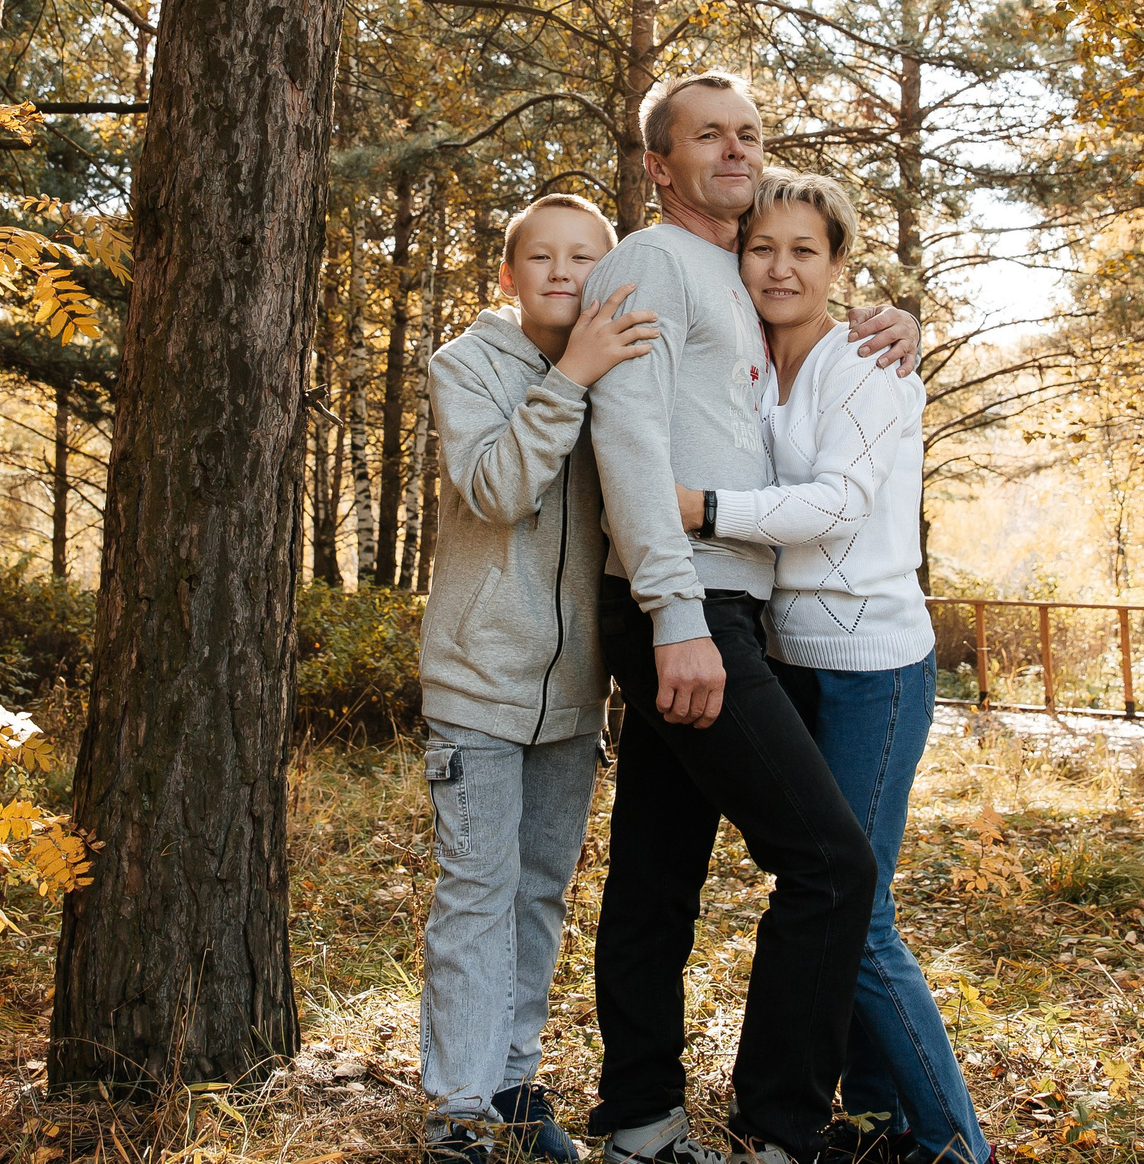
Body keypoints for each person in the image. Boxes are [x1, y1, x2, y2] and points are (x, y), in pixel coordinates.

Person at [583, 71, 905, 1164]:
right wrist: (676, 615)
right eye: (706, 136)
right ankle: (779, 1130)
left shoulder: (729, 272)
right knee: (832, 866)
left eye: (749, 135)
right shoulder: (646, 263)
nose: (734, 152)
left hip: (721, 605)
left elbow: (803, 314)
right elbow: (625, 441)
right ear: (657, 163)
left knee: (657, 880)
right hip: (685, 604)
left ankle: (641, 1125)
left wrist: (887, 313)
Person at [677, 171, 988, 1164]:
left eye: (802, 251)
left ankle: (952, 1144)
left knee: (858, 916)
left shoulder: (868, 361)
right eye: (761, 247)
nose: (778, 266)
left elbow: (838, 503)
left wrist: (706, 509)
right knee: (827, 899)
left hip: (873, 666)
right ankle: (879, 1121)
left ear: (835, 267)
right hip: (790, 660)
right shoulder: (755, 367)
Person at [421, 193, 660, 1163]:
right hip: (478, 680)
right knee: (476, 893)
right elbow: (498, 487)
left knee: (539, 892)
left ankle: (513, 1081)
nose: (562, 273)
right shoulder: (465, 364)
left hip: (574, 693)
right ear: (509, 272)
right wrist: (573, 375)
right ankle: (458, 1114)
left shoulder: (628, 367)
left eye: (583, 257)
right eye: (542, 257)